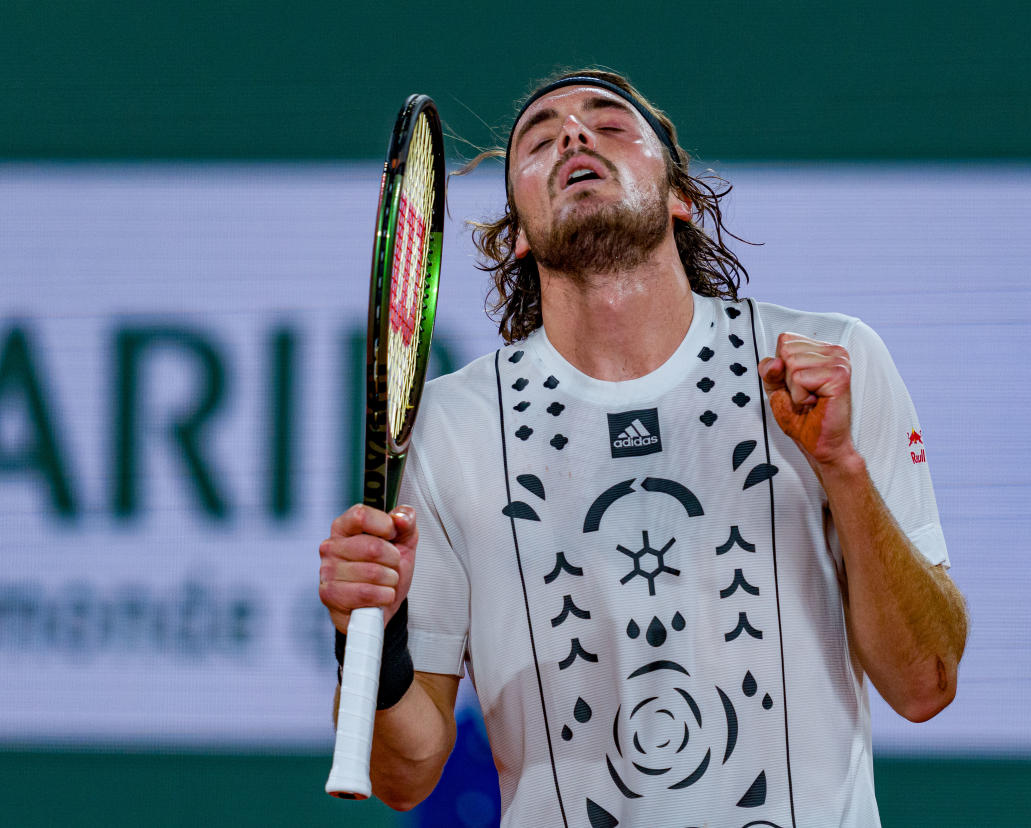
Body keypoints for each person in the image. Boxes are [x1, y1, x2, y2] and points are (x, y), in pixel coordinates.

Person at [318, 69, 968, 827]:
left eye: (610, 122)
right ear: (519, 235)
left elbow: (924, 684)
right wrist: (376, 634)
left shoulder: (829, 362)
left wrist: (842, 469)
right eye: (539, 139)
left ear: (678, 196)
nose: (573, 135)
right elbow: (405, 778)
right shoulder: (451, 429)